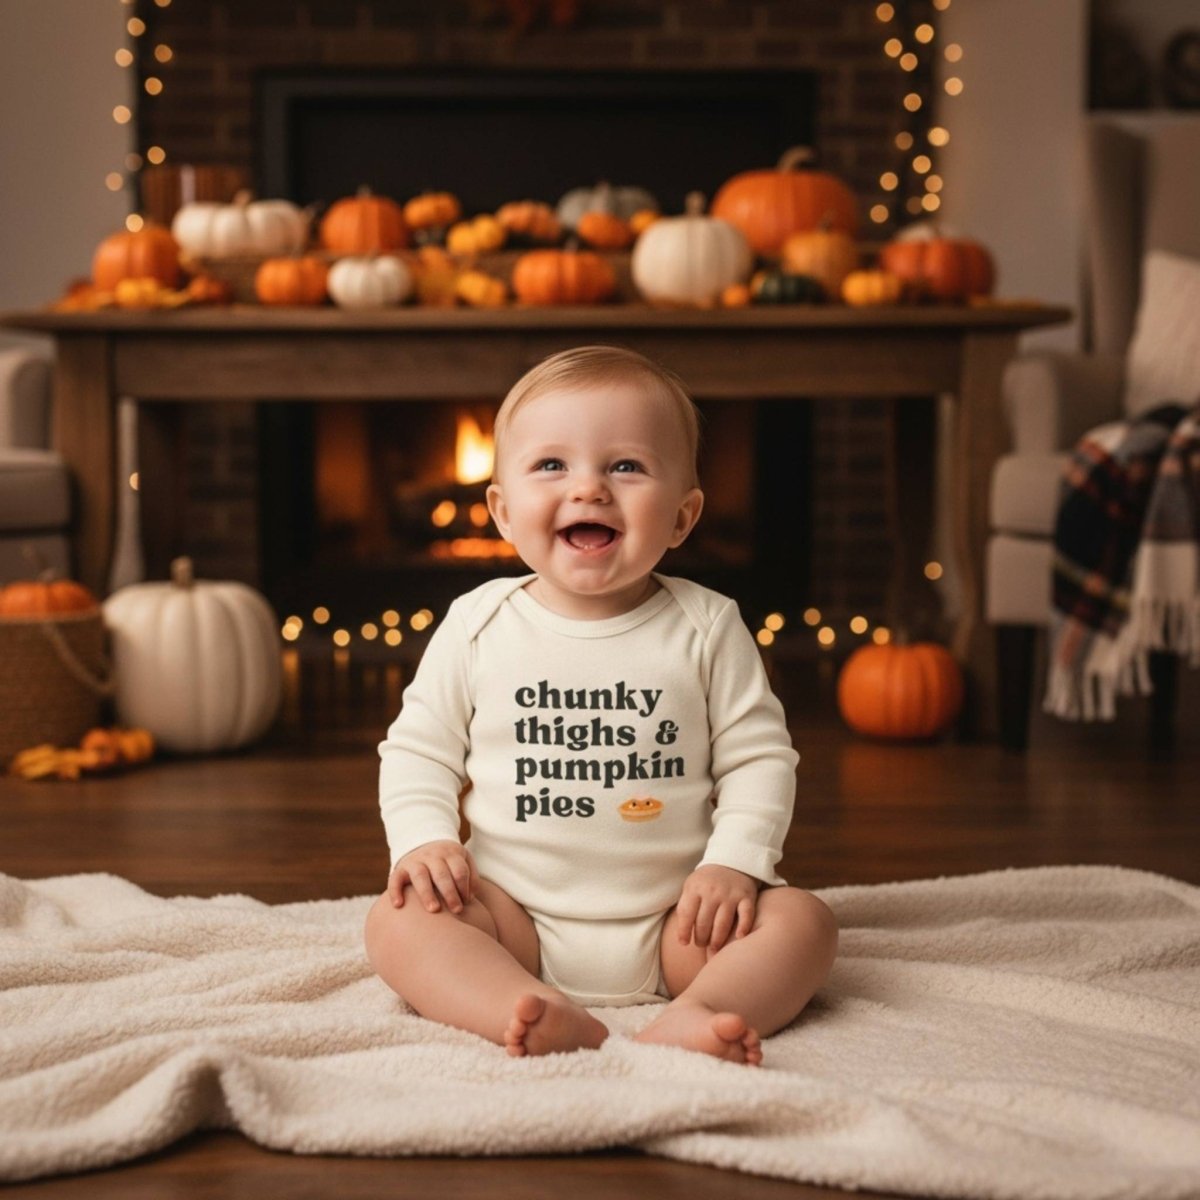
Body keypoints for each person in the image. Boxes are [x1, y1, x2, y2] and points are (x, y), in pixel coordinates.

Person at [364, 345, 837, 1064]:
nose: (589, 489)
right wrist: (424, 842)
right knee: (395, 923)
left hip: (681, 921)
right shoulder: (476, 623)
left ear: (682, 517)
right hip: (512, 920)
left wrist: (736, 864)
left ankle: (705, 1010)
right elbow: (418, 751)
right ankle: (515, 1005)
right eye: (552, 465)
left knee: (805, 923)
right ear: (500, 510)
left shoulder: (707, 626)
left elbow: (759, 758)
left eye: (626, 466)